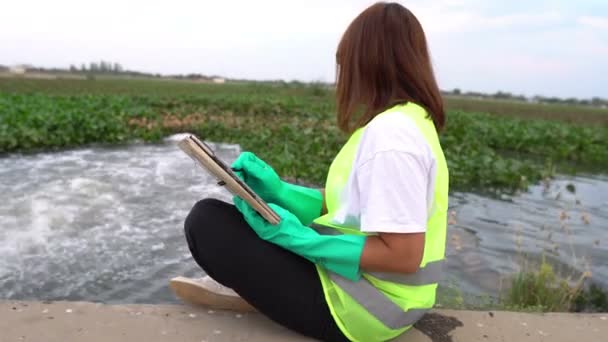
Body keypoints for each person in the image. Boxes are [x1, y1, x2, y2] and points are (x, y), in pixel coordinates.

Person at [175, 2, 448, 341]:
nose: (342, 77)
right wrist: (280, 191)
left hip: (365, 309)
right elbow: (351, 205)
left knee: (208, 224)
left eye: (345, 63)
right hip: (384, 297)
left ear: (367, 62)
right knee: (231, 220)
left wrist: (300, 239)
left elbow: (404, 256)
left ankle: (255, 292)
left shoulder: (391, 137)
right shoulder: (409, 122)